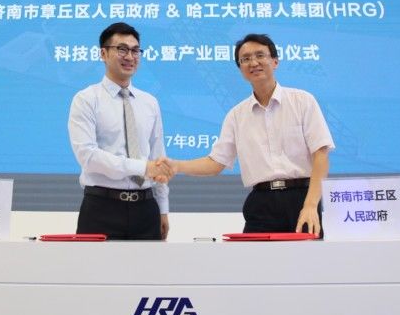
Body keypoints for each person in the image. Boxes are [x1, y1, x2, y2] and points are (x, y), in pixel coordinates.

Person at [168, 33, 334, 236]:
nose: (253, 62)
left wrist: (310, 205)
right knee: (252, 257)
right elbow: (216, 163)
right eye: (245, 59)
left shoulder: (303, 101)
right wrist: (176, 166)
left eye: (260, 55)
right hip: (261, 202)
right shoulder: (236, 115)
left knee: (307, 257)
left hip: (301, 199)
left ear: (275, 61)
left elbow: (320, 154)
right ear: (240, 69)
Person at [68, 22, 173, 240]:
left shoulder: (149, 102)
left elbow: (158, 156)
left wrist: (163, 207)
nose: (130, 57)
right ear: (103, 54)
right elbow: (88, 156)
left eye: (135, 50)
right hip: (101, 208)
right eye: (122, 49)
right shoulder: (86, 99)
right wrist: (142, 167)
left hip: (146, 208)